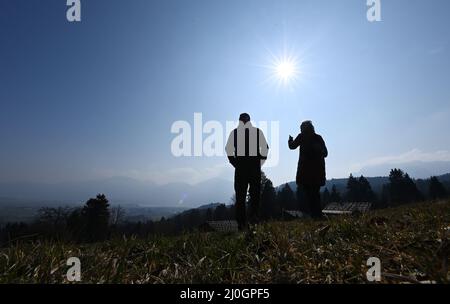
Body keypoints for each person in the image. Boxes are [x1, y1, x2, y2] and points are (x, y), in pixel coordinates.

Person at [225, 113, 269, 231]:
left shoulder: (235, 133)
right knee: (254, 196)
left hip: (241, 170)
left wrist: (235, 163)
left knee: (240, 197)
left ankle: (242, 225)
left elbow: (228, 150)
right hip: (253, 169)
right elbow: (265, 148)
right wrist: (259, 162)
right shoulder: (257, 132)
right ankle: (253, 222)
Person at [288, 120, 328, 219]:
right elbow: (325, 153)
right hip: (317, 171)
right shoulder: (318, 138)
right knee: (315, 193)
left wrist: (289, 140)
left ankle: (315, 215)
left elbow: (292, 146)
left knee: (309, 194)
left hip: (305, 171)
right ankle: (317, 214)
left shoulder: (301, 136)